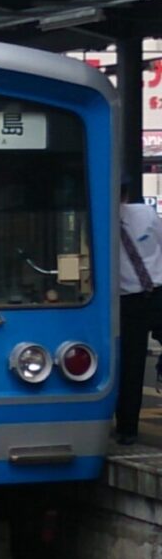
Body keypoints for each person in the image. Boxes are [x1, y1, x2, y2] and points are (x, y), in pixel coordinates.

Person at [117, 180, 162, 445]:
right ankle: (127, 428)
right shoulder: (100, 224)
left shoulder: (145, 214)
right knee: (131, 364)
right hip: (127, 299)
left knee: (132, 363)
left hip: (157, 290)